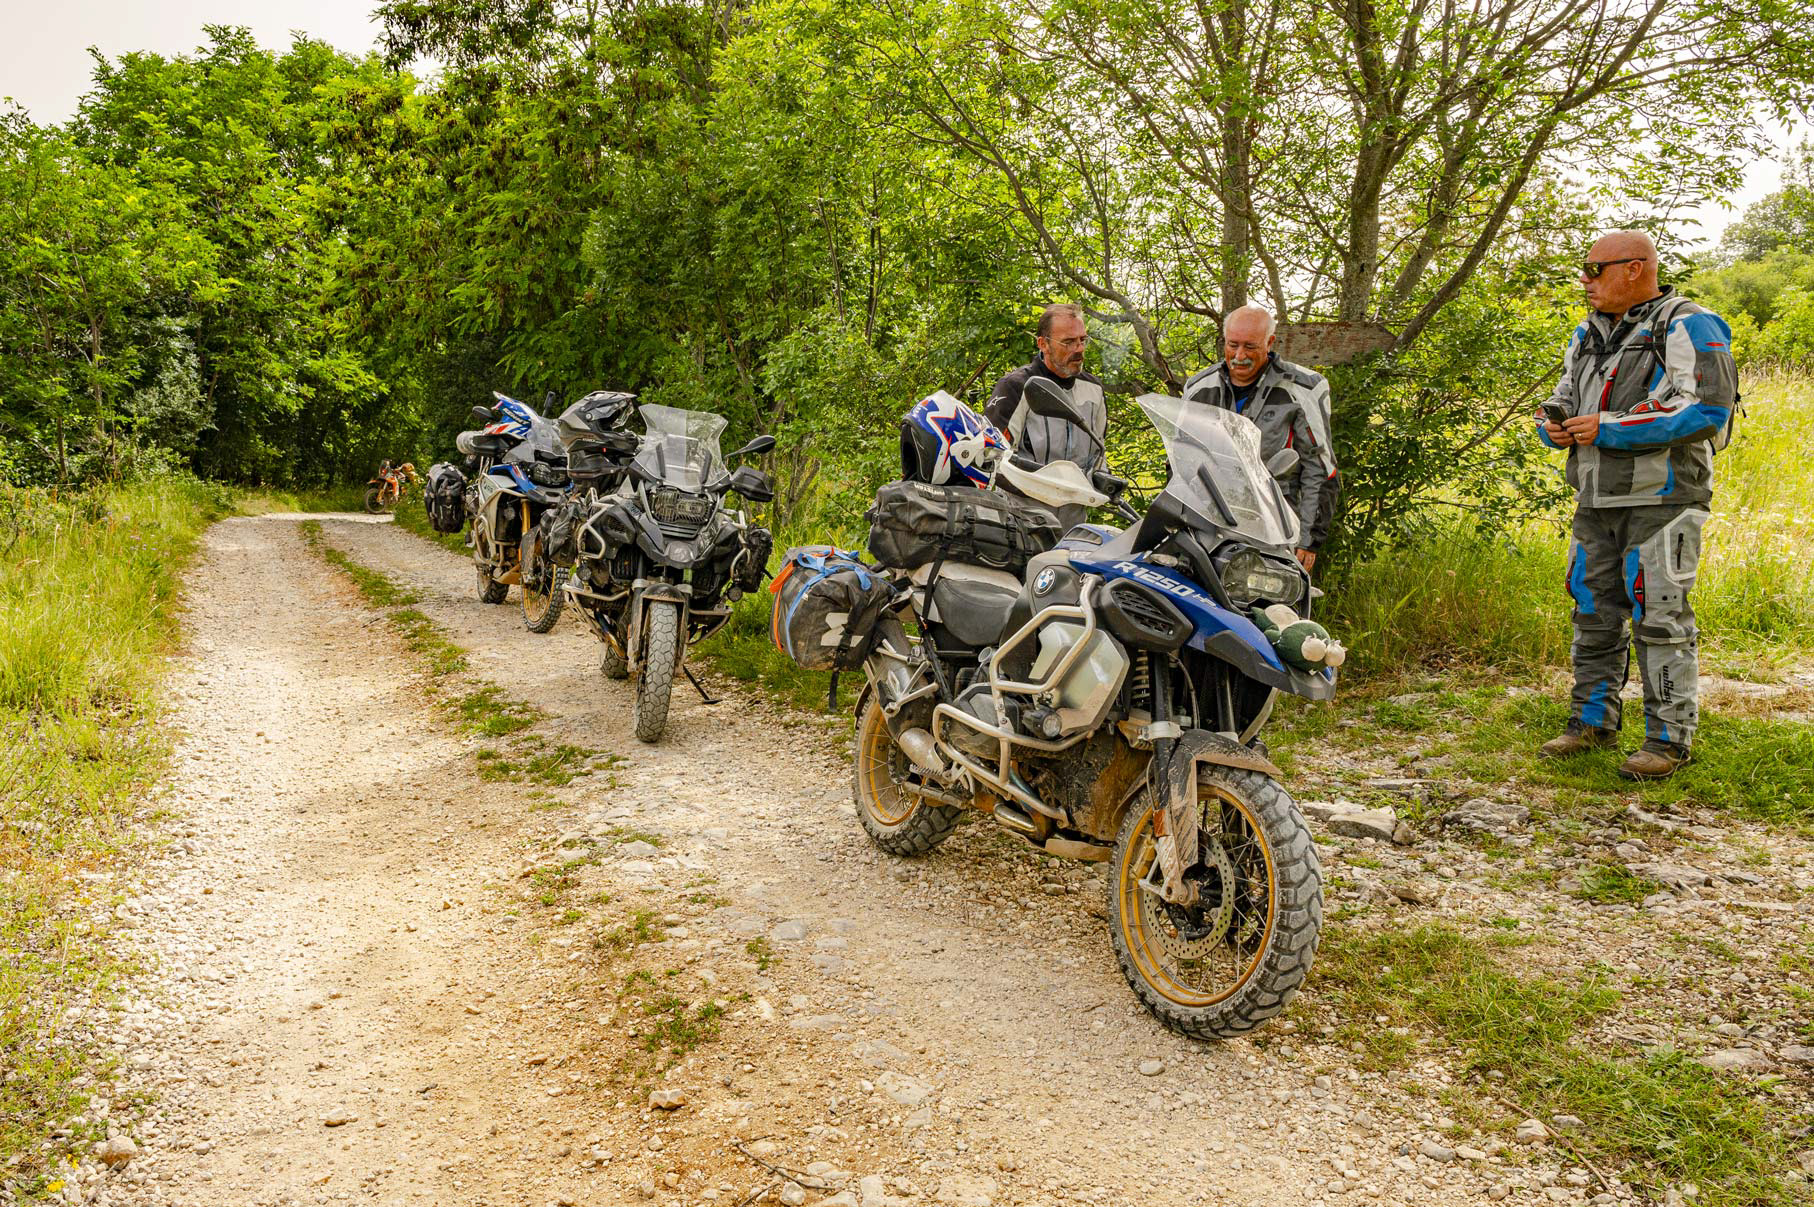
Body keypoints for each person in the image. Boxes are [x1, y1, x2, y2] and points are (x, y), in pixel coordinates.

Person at [1536, 230, 1737, 780]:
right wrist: (1551, 425)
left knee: (1661, 614)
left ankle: (1668, 740)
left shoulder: (1690, 322)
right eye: (1584, 269)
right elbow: (1565, 396)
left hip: (1664, 498)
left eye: (1594, 269)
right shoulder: (1588, 332)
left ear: (1635, 268)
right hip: (1596, 497)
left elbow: (1709, 413)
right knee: (1591, 607)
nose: (1585, 280)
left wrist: (1610, 428)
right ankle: (1591, 722)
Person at [1180, 305, 1337, 571]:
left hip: (1277, 523)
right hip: (1210, 523)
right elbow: (1181, 458)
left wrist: (1309, 541)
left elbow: (1319, 467)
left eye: (1250, 347)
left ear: (1270, 343)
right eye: (1233, 345)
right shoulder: (1199, 387)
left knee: (1272, 605)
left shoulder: (1302, 389)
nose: (1239, 356)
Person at [986, 303, 1108, 528]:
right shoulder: (1015, 387)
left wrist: (1104, 481)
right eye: (1069, 342)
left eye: (1083, 340)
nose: (1079, 349)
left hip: (1073, 526)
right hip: (1021, 522)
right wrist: (1045, 485)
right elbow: (991, 458)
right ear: (1043, 344)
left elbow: (1099, 455)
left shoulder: (1095, 390)